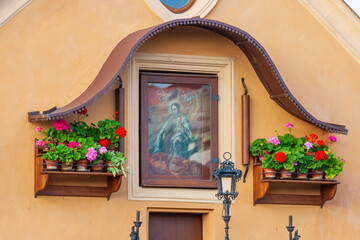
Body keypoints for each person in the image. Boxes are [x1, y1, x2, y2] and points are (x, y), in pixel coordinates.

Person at [152, 102, 193, 171]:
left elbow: (187, 126)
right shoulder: (171, 117)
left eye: (175, 109)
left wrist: (181, 129)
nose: (174, 111)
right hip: (173, 134)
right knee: (165, 139)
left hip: (182, 135)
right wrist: (163, 132)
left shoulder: (183, 116)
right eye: (173, 109)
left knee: (176, 140)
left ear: (179, 109)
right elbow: (165, 127)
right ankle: (169, 159)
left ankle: (178, 158)